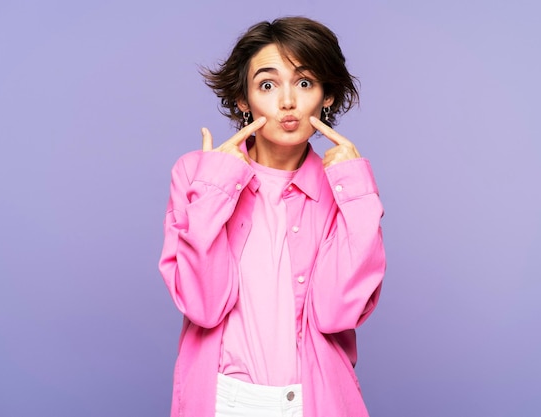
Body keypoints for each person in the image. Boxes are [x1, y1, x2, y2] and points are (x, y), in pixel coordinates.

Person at [158, 16, 386, 417]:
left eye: (304, 82)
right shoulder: (196, 174)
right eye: (267, 84)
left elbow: (335, 314)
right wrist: (215, 186)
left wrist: (357, 191)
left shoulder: (344, 189)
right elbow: (203, 306)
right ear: (243, 100)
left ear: (326, 96)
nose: (287, 102)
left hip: (314, 402)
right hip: (222, 401)